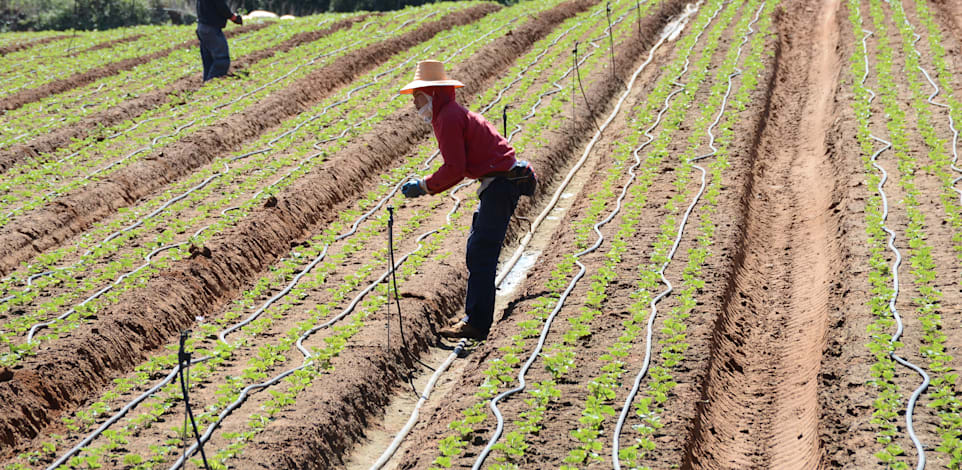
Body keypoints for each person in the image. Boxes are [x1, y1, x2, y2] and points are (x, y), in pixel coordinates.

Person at [399, 60, 537, 340]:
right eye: (414, 98)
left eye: (419, 97)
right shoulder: (448, 113)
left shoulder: (447, 117)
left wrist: (425, 186)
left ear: (434, 94)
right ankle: (476, 317)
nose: (415, 104)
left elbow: (455, 168)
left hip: (500, 184)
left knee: (482, 251)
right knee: (478, 249)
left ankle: (476, 323)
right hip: (498, 182)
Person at [195, 0, 242, 81]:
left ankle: (206, 85)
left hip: (202, 27)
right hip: (211, 29)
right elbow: (221, 6)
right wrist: (233, 17)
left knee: (208, 62)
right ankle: (212, 84)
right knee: (222, 59)